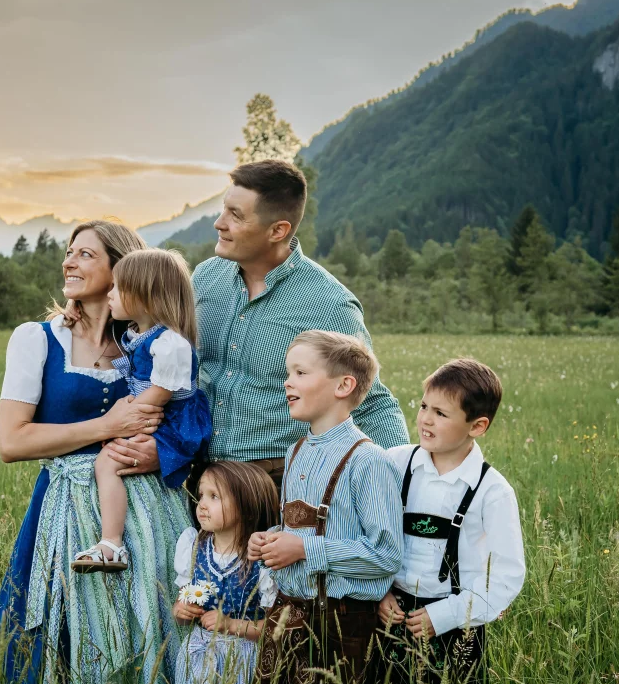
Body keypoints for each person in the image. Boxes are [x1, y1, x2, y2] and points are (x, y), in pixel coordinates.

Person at [0, 220, 190, 684]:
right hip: (65, 503)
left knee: (148, 621)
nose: (68, 263)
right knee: (54, 626)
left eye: (85, 254)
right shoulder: (37, 340)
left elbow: (186, 417)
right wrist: (106, 425)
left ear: (121, 269)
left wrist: (157, 454)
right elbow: (12, 442)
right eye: (68, 253)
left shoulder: (148, 344)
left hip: (150, 507)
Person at [100, 159, 409, 490]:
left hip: (276, 486)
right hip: (198, 481)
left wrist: (402, 490)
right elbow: (149, 332)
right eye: (223, 209)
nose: (219, 223)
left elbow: (370, 401)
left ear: (278, 230)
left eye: (236, 216)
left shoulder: (329, 304)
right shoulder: (205, 278)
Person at [248, 330, 403, 684]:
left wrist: (303, 548)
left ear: (343, 385)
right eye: (288, 372)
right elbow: (299, 527)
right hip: (286, 615)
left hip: (339, 622)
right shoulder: (297, 450)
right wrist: (271, 539)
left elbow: (385, 554)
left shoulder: (368, 460)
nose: (287, 382)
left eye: (300, 372)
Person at [377, 358, 524, 684]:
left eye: (441, 414)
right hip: (389, 614)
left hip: (456, 624)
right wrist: (379, 590)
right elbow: (365, 532)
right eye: (424, 406)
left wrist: (445, 615)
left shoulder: (492, 492)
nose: (425, 419)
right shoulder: (393, 463)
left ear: (477, 426)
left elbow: (505, 576)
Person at [73, 249, 212, 572]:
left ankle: (112, 543)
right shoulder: (140, 334)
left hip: (172, 422)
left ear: (146, 296)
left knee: (107, 461)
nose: (109, 294)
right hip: (154, 415)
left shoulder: (170, 344)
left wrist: (120, 423)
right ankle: (113, 539)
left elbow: (159, 397)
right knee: (110, 458)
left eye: (117, 288)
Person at [170, 461, 279, 684]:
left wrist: (231, 624)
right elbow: (183, 604)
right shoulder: (194, 547)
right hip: (197, 653)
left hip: (239, 659)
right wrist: (182, 609)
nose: (201, 505)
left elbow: (274, 627)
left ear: (245, 506)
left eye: (214, 497)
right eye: (200, 495)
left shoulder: (261, 560)